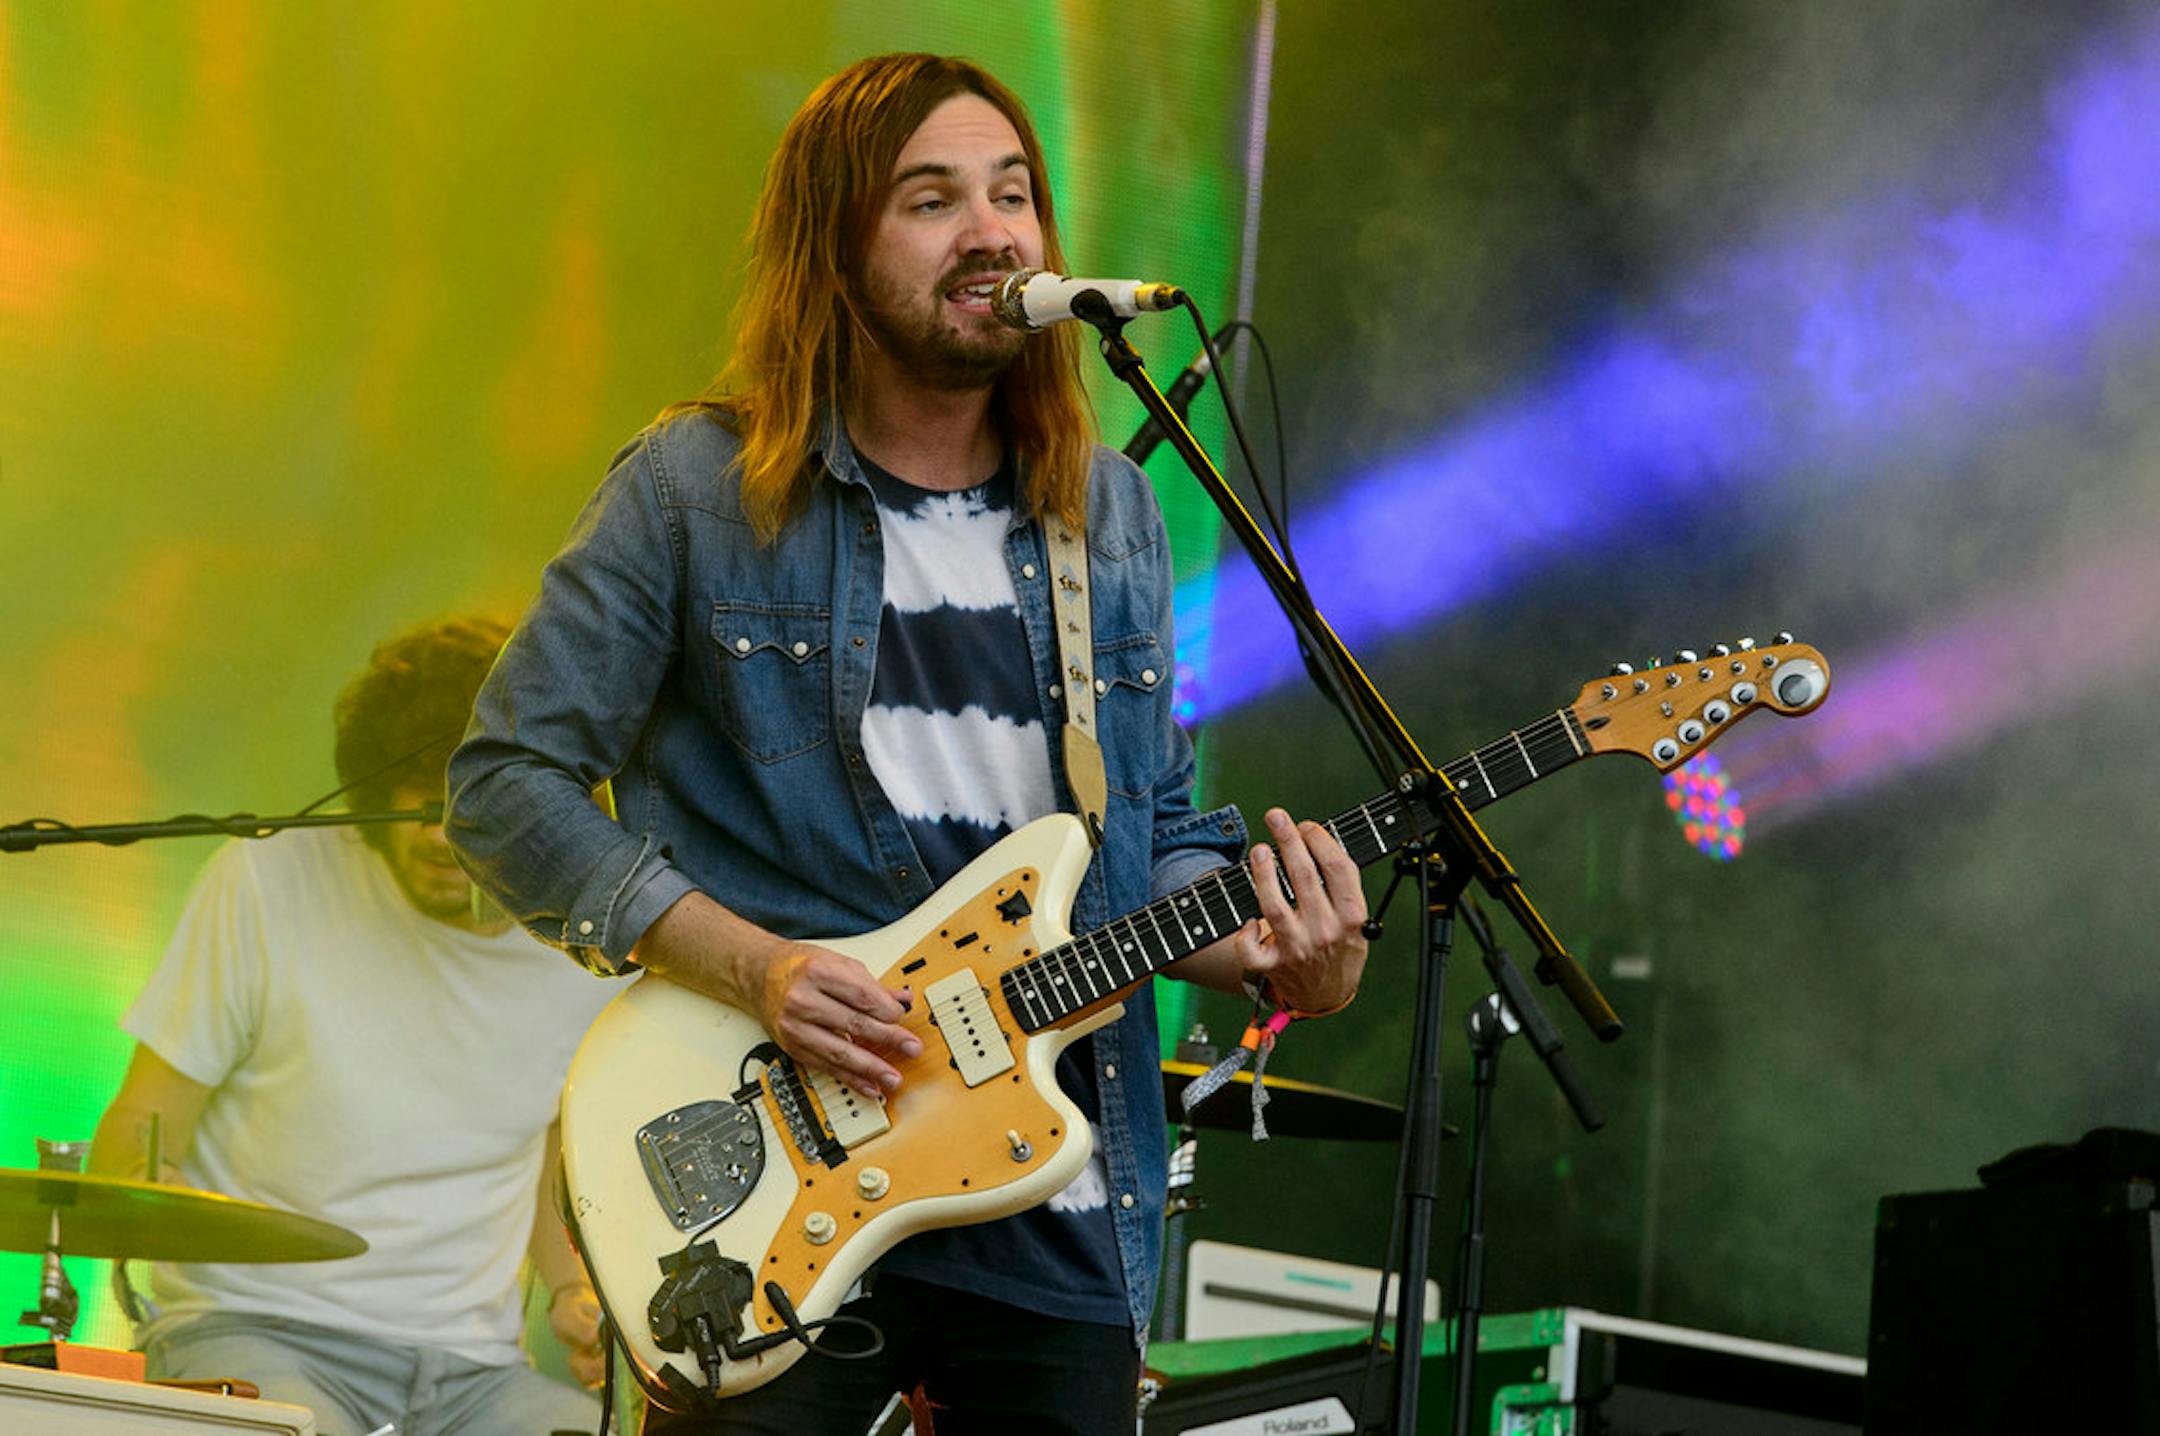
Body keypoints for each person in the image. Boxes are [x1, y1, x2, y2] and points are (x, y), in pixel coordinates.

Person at [445, 53, 1368, 1435]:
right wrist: (752, 968)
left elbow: (1152, 837)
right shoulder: (694, 493)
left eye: (1013, 195)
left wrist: (1268, 948)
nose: (994, 231)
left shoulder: (1106, 515)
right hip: (780, 1180)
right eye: (932, 199)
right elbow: (503, 786)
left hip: (1050, 1195)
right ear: (835, 247)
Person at [90, 616, 615, 1436]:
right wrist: (96, 1209)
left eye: (474, 813)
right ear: (374, 794)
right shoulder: (265, 884)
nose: (446, 840)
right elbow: (145, 1123)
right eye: (420, 811)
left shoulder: (583, 951)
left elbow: (544, 1165)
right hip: (255, 1330)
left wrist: (578, 1297)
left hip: (473, 1369)